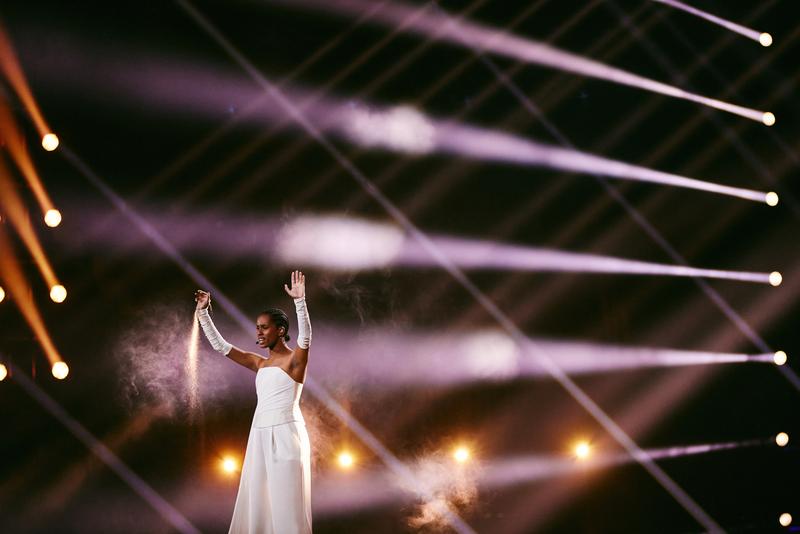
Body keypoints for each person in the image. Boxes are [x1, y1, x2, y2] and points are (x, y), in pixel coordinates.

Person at [195, 271, 312, 534]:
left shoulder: (295, 361)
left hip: (286, 435)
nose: (257, 332)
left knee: (287, 506)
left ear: (280, 330)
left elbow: (305, 339)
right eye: (257, 326)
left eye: (263, 327)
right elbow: (221, 346)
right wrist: (204, 314)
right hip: (258, 434)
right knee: (257, 503)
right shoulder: (259, 363)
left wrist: (300, 302)